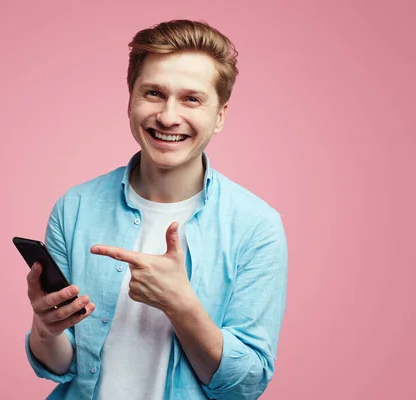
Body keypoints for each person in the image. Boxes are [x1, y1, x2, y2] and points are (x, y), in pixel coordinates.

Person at [24, 19, 288, 400]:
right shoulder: (75, 207)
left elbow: (246, 384)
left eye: (191, 99)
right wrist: (46, 328)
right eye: (153, 93)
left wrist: (180, 305)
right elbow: (63, 367)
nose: (167, 116)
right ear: (130, 99)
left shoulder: (256, 226)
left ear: (220, 115)